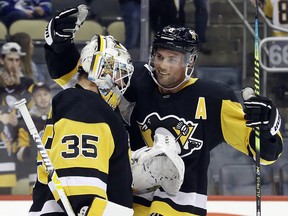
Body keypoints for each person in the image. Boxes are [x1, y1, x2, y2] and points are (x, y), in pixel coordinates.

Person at [44, 5, 284, 216]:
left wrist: (267, 125)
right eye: (159, 56)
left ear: (190, 62)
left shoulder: (215, 98)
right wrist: (60, 45)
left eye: (172, 59)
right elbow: (84, 78)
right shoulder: (135, 79)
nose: (163, 66)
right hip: (128, 205)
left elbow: (263, 152)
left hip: (181, 210)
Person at [29, 24, 135, 216]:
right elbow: (81, 193)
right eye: (119, 75)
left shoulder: (79, 104)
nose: (121, 84)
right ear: (103, 71)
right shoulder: (86, 105)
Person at [0, 42, 34, 194]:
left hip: (21, 143)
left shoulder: (27, 83)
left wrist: (20, 87)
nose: (14, 64)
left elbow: (34, 111)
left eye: (17, 60)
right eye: (10, 59)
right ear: (2, 60)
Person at [16, 82, 52, 194]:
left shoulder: (59, 117)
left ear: (50, 96)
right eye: (38, 95)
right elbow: (20, 154)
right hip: (34, 172)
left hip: (58, 171)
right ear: (33, 99)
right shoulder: (25, 122)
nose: (42, 98)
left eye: (45, 94)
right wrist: (33, 147)